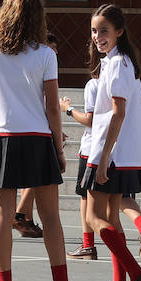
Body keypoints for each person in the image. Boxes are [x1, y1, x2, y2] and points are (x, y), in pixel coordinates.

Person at [0, 0, 87, 281]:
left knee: (1, 214)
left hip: (2, 136)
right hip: (37, 137)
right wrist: (59, 147)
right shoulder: (45, 55)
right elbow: (53, 107)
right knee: (50, 216)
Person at [80, 4, 141, 281]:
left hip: (110, 153)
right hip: (120, 153)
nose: (98, 36)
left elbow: (118, 112)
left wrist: (102, 158)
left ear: (119, 32)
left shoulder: (116, 65)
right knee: (112, 216)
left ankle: (137, 275)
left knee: (93, 216)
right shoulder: (120, 62)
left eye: (104, 31)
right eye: (94, 31)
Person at [61, 33, 102, 259]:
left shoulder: (94, 85)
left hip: (91, 148)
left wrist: (67, 109)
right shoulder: (122, 81)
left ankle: (88, 244)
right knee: (118, 200)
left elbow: (90, 119)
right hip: (112, 147)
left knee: (86, 197)